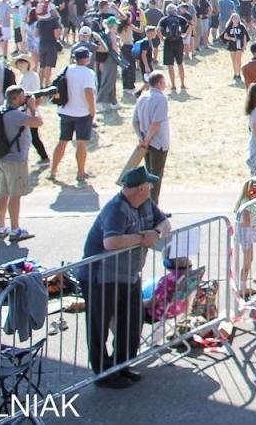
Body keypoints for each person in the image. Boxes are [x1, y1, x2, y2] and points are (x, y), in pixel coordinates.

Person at [79, 166, 171, 389]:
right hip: (102, 277)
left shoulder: (146, 204)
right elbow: (111, 242)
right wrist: (142, 238)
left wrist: (156, 233)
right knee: (99, 325)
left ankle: (123, 364)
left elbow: (166, 224)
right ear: (140, 188)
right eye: (149, 185)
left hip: (129, 275)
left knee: (131, 320)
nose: (151, 188)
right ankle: (103, 373)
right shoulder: (116, 209)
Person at [0, 85, 41, 243]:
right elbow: (38, 122)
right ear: (15, 98)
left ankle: (1, 227)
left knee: (3, 192)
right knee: (15, 194)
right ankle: (15, 230)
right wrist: (33, 107)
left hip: (2, 158)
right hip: (16, 161)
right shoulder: (15, 116)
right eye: (22, 97)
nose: (24, 99)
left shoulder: (1, 110)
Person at [49, 46, 97, 183]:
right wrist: (92, 109)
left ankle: (53, 170)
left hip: (65, 111)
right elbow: (88, 91)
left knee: (62, 141)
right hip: (82, 113)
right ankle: (81, 172)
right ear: (86, 58)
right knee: (81, 143)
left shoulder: (66, 69)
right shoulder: (88, 73)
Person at [132, 71, 171, 204]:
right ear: (160, 83)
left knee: (148, 175)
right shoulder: (161, 99)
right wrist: (148, 139)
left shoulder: (142, 97)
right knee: (155, 177)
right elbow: (156, 123)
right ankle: (153, 207)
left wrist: (141, 138)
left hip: (145, 143)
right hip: (158, 143)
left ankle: (147, 204)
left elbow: (135, 121)